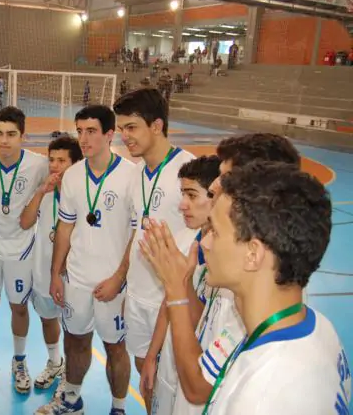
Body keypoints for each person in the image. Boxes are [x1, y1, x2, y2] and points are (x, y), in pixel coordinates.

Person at [141, 162, 350, 414]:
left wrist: (176, 293)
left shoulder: (258, 399)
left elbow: (198, 388)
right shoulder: (320, 328)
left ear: (253, 254)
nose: (205, 243)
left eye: (216, 232)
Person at [145, 132, 302, 415]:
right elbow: (202, 321)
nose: (214, 185)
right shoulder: (232, 262)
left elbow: (198, 387)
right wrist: (183, 283)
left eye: (225, 178)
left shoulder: (259, 295)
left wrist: (177, 292)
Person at [36, 105, 134, 415]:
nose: (84, 138)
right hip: (76, 279)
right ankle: (71, 400)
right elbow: (65, 227)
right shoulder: (73, 176)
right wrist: (56, 274)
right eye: (79, 131)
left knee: (115, 347)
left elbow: (136, 235)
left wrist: (119, 278)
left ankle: (118, 408)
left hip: (113, 283)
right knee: (75, 341)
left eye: (91, 131)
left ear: (109, 134)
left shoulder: (131, 176)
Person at [113, 88, 195, 384]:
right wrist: (124, 281)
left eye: (131, 127)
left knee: (173, 383)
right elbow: (137, 231)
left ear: (157, 126)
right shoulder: (136, 173)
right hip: (138, 294)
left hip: (171, 300)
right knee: (145, 375)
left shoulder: (188, 171)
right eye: (122, 129)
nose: (125, 136)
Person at [0, 106, 47, 393]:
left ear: (22, 136)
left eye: (11, 134)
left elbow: (67, 169)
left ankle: (20, 360)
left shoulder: (38, 164)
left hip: (21, 251)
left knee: (19, 307)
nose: (4, 141)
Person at [141, 156, 220, 415]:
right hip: (171, 364)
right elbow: (169, 302)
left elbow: (202, 319)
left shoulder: (229, 263)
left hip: (201, 376)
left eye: (192, 195)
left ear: (217, 197)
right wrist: (151, 356)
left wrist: (180, 283)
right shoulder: (187, 239)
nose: (183, 204)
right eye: (183, 194)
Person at [19, 135, 83, 395]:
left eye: (62, 161)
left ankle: (70, 374)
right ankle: (55, 362)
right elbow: (25, 222)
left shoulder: (82, 195)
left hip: (72, 275)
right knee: (48, 320)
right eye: (52, 160)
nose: (55, 166)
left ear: (75, 164)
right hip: (43, 270)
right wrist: (40, 192)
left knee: (72, 328)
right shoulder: (44, 192)